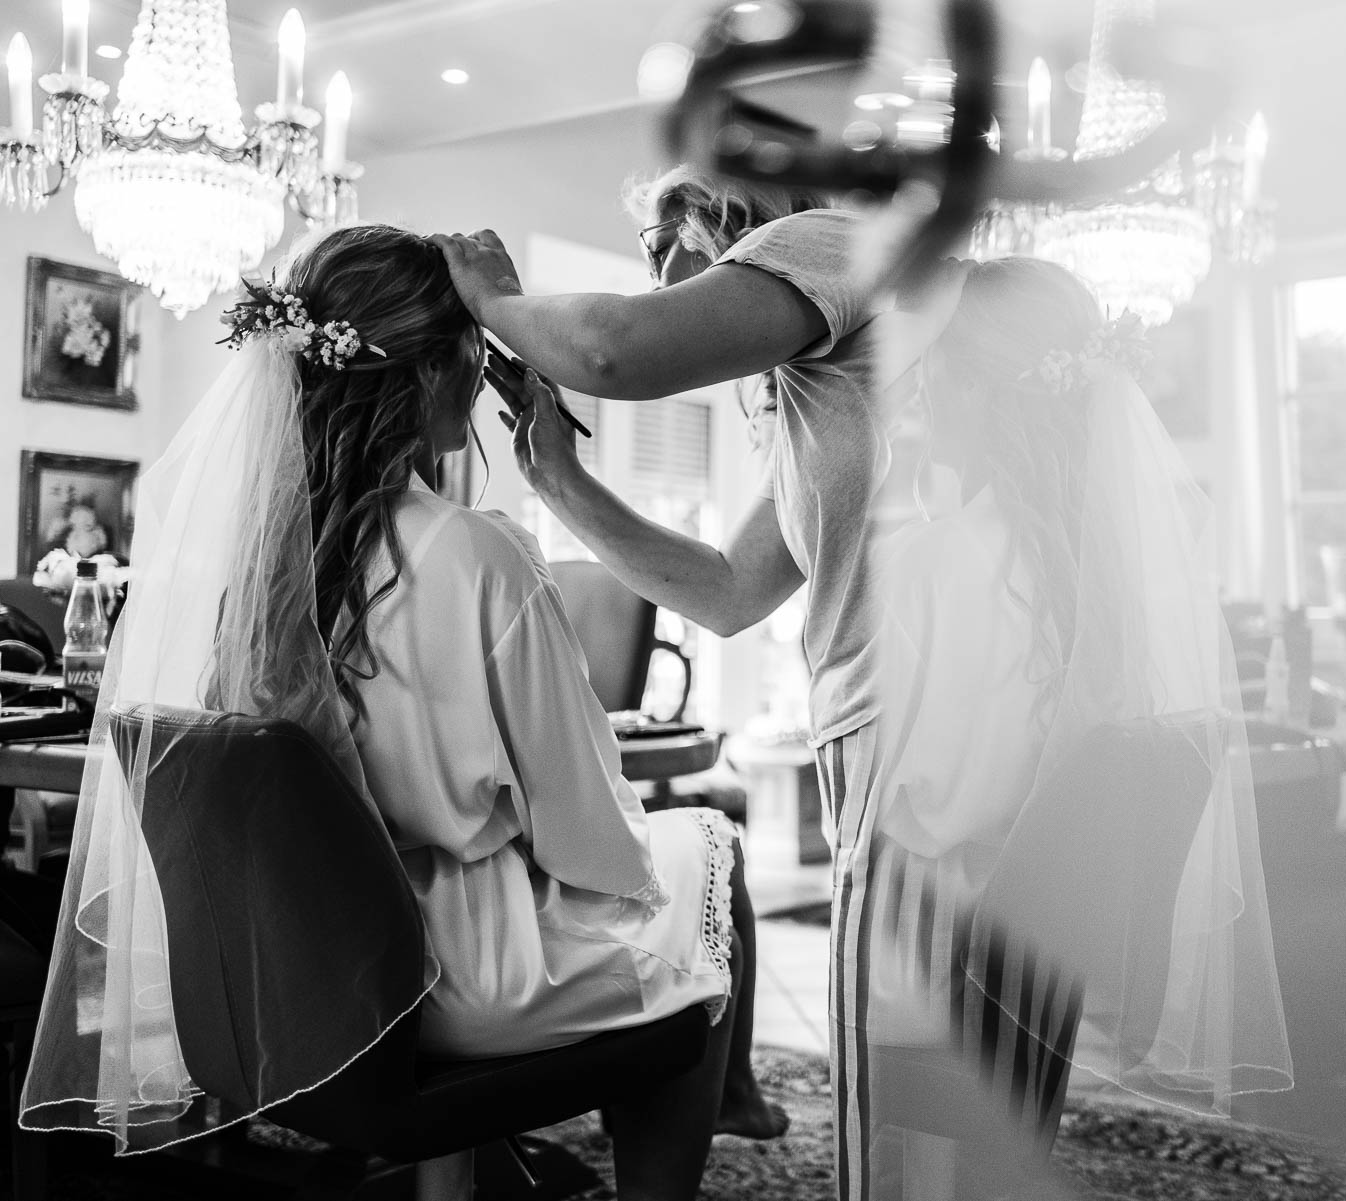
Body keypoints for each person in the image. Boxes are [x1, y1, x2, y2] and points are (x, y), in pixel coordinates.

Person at [22, 224, 779, 1200]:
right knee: (704, 868)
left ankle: (503, 1176)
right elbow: (592, 844)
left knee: (679, 877)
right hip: (451, 972)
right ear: (433, 372)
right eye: (473, 342)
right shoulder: (481, 558)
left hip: (294, 973)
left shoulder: (250, 573)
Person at [434, 165, 954, 1201]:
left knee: (924, 1069)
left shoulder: (828, 242)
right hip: (875, 727)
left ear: (728, 225)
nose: (658, 283)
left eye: (662, 254)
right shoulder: (830, 397)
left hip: (936, 725)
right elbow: (724, 592)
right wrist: (558, 479)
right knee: (918, 1069)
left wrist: (492, 299)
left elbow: (614, 345)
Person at [852, 257, 1293, 1197]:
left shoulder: (926, 569)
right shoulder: (1096, 578)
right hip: (1037, 952)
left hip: (932, 950)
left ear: (972, 384)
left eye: (934, 361)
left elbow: (897, 802)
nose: (919, 381)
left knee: (706, 941)